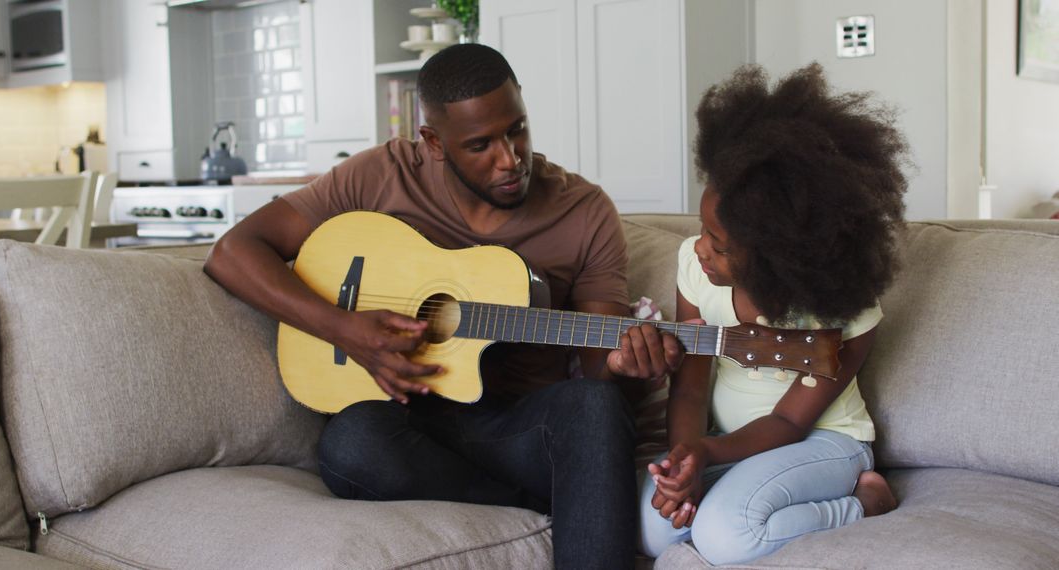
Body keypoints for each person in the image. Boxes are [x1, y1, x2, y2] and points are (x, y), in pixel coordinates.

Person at [204, 43, 682, 569]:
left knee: (595, 406)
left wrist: (623, 364)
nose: (510, 159)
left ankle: (560, 505)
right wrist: (345, 330)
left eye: (517, 130)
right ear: (433, 142)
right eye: (480, 145)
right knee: (353, 443)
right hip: (414, 423)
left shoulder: (583, 209)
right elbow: (233, 252)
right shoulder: (380, 176)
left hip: (518, 427)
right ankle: (544, 505)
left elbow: (598, 365)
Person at [638, 63, 908, 564]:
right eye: (702, 230)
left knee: (725, 536)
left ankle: (864, 504)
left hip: (823, 442)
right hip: (723, 443)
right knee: (652, 530)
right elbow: (692, 385)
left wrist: (707, 456)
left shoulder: (843, 310)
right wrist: (683, 461)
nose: (699, 250)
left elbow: (788, 420)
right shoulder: (695, 270)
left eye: (718, 246)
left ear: (775, 257)